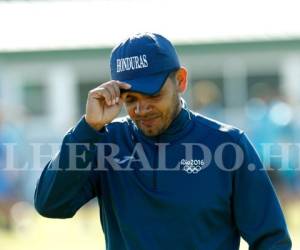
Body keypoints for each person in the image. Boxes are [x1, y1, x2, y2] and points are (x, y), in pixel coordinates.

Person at [34, 33, 292, 250]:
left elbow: (271, 240)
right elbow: (51, 205)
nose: (142, 109)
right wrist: (87, 130)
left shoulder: (228, 144)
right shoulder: (104, 142)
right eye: (131, 99)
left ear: (180, 80)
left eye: (153, 94)